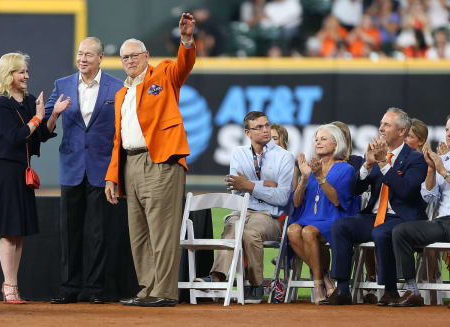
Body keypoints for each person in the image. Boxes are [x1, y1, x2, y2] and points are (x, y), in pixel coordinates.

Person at [104, 13, 196, 307]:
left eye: (134, 55)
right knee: (139, 233)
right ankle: (147, 289)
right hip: (131, 163)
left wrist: (186, 40)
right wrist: (112, 175)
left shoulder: (164, 74)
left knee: (162, 229)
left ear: (146, 56)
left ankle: (165, 292)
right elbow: (118, 139)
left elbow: (185, 64)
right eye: (124, 57)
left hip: (161, 161)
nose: (129, 61)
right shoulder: (122, 93)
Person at [0, 52, 70, 303]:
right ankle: (9, 286)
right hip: (2, 172)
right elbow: (16, 136)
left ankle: (12, 285)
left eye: (26, 71)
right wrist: (38, 118)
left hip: (20, 171)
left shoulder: (28, 101)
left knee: (17, 231)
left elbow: (38, 137)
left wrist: (54, 115)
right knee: (7, 231)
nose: (26, 76)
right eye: (21, 71)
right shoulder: (1, 104)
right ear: (9, 74)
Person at [324, 108, 428, 305]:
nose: (381, 128)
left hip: (402, 218)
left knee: (381, 232)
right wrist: (367, 166)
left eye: (387, 125)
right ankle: (343, 289)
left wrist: (383, 164)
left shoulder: (416, 158)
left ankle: (390, 291)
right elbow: (353, 190)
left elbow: (405, 190)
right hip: (373, 217)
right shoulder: (376, 154)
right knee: (341, 226)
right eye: (381, 124)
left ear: (401, 131)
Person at [46, 37, 123, 305]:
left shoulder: (116, 87)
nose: (82, 59)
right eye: (80, 54)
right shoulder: (63, 84)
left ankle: (95, 289)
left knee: (98, 232)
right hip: (72, 167)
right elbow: (47, 126)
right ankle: (69, 287)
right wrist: (54, 114)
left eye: (88, 55)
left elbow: (122, 130)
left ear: (101, 57)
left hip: (102, 170)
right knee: (70, 231)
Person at [195, 111, 294, 304]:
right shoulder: (238, 154)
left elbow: (282, 197)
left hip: (270, 217)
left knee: (249, 232)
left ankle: (255, 285)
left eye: (267, 125)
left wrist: (249, 185)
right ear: (248, 132)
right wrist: (266, 185)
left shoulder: (284, 157)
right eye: (259, 127)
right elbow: (236, 191)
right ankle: (217, 277)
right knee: (232, 228)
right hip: (242, 210)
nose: (265, 130)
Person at [288, 124, 355, 304]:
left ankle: (318, 285)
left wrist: (320, 177)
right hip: (309, 217)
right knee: (292, 230)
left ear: (336, 144)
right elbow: (296, 202)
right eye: (316, 139)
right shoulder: (312, 167)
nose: (318, 142)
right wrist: (304, 178)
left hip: (333, 217)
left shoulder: (345, 169)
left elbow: (337, 201)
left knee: (308, 232)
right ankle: (325, 279)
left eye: (323, 139)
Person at [391, 116, 450, 307]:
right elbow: (429, 197)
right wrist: (432, 170)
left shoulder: (445, 164)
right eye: (447, 130)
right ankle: (412, 291)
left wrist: (443, 171)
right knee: (401, 232)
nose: (448, 134)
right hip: (443, 222)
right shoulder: (445, 160)